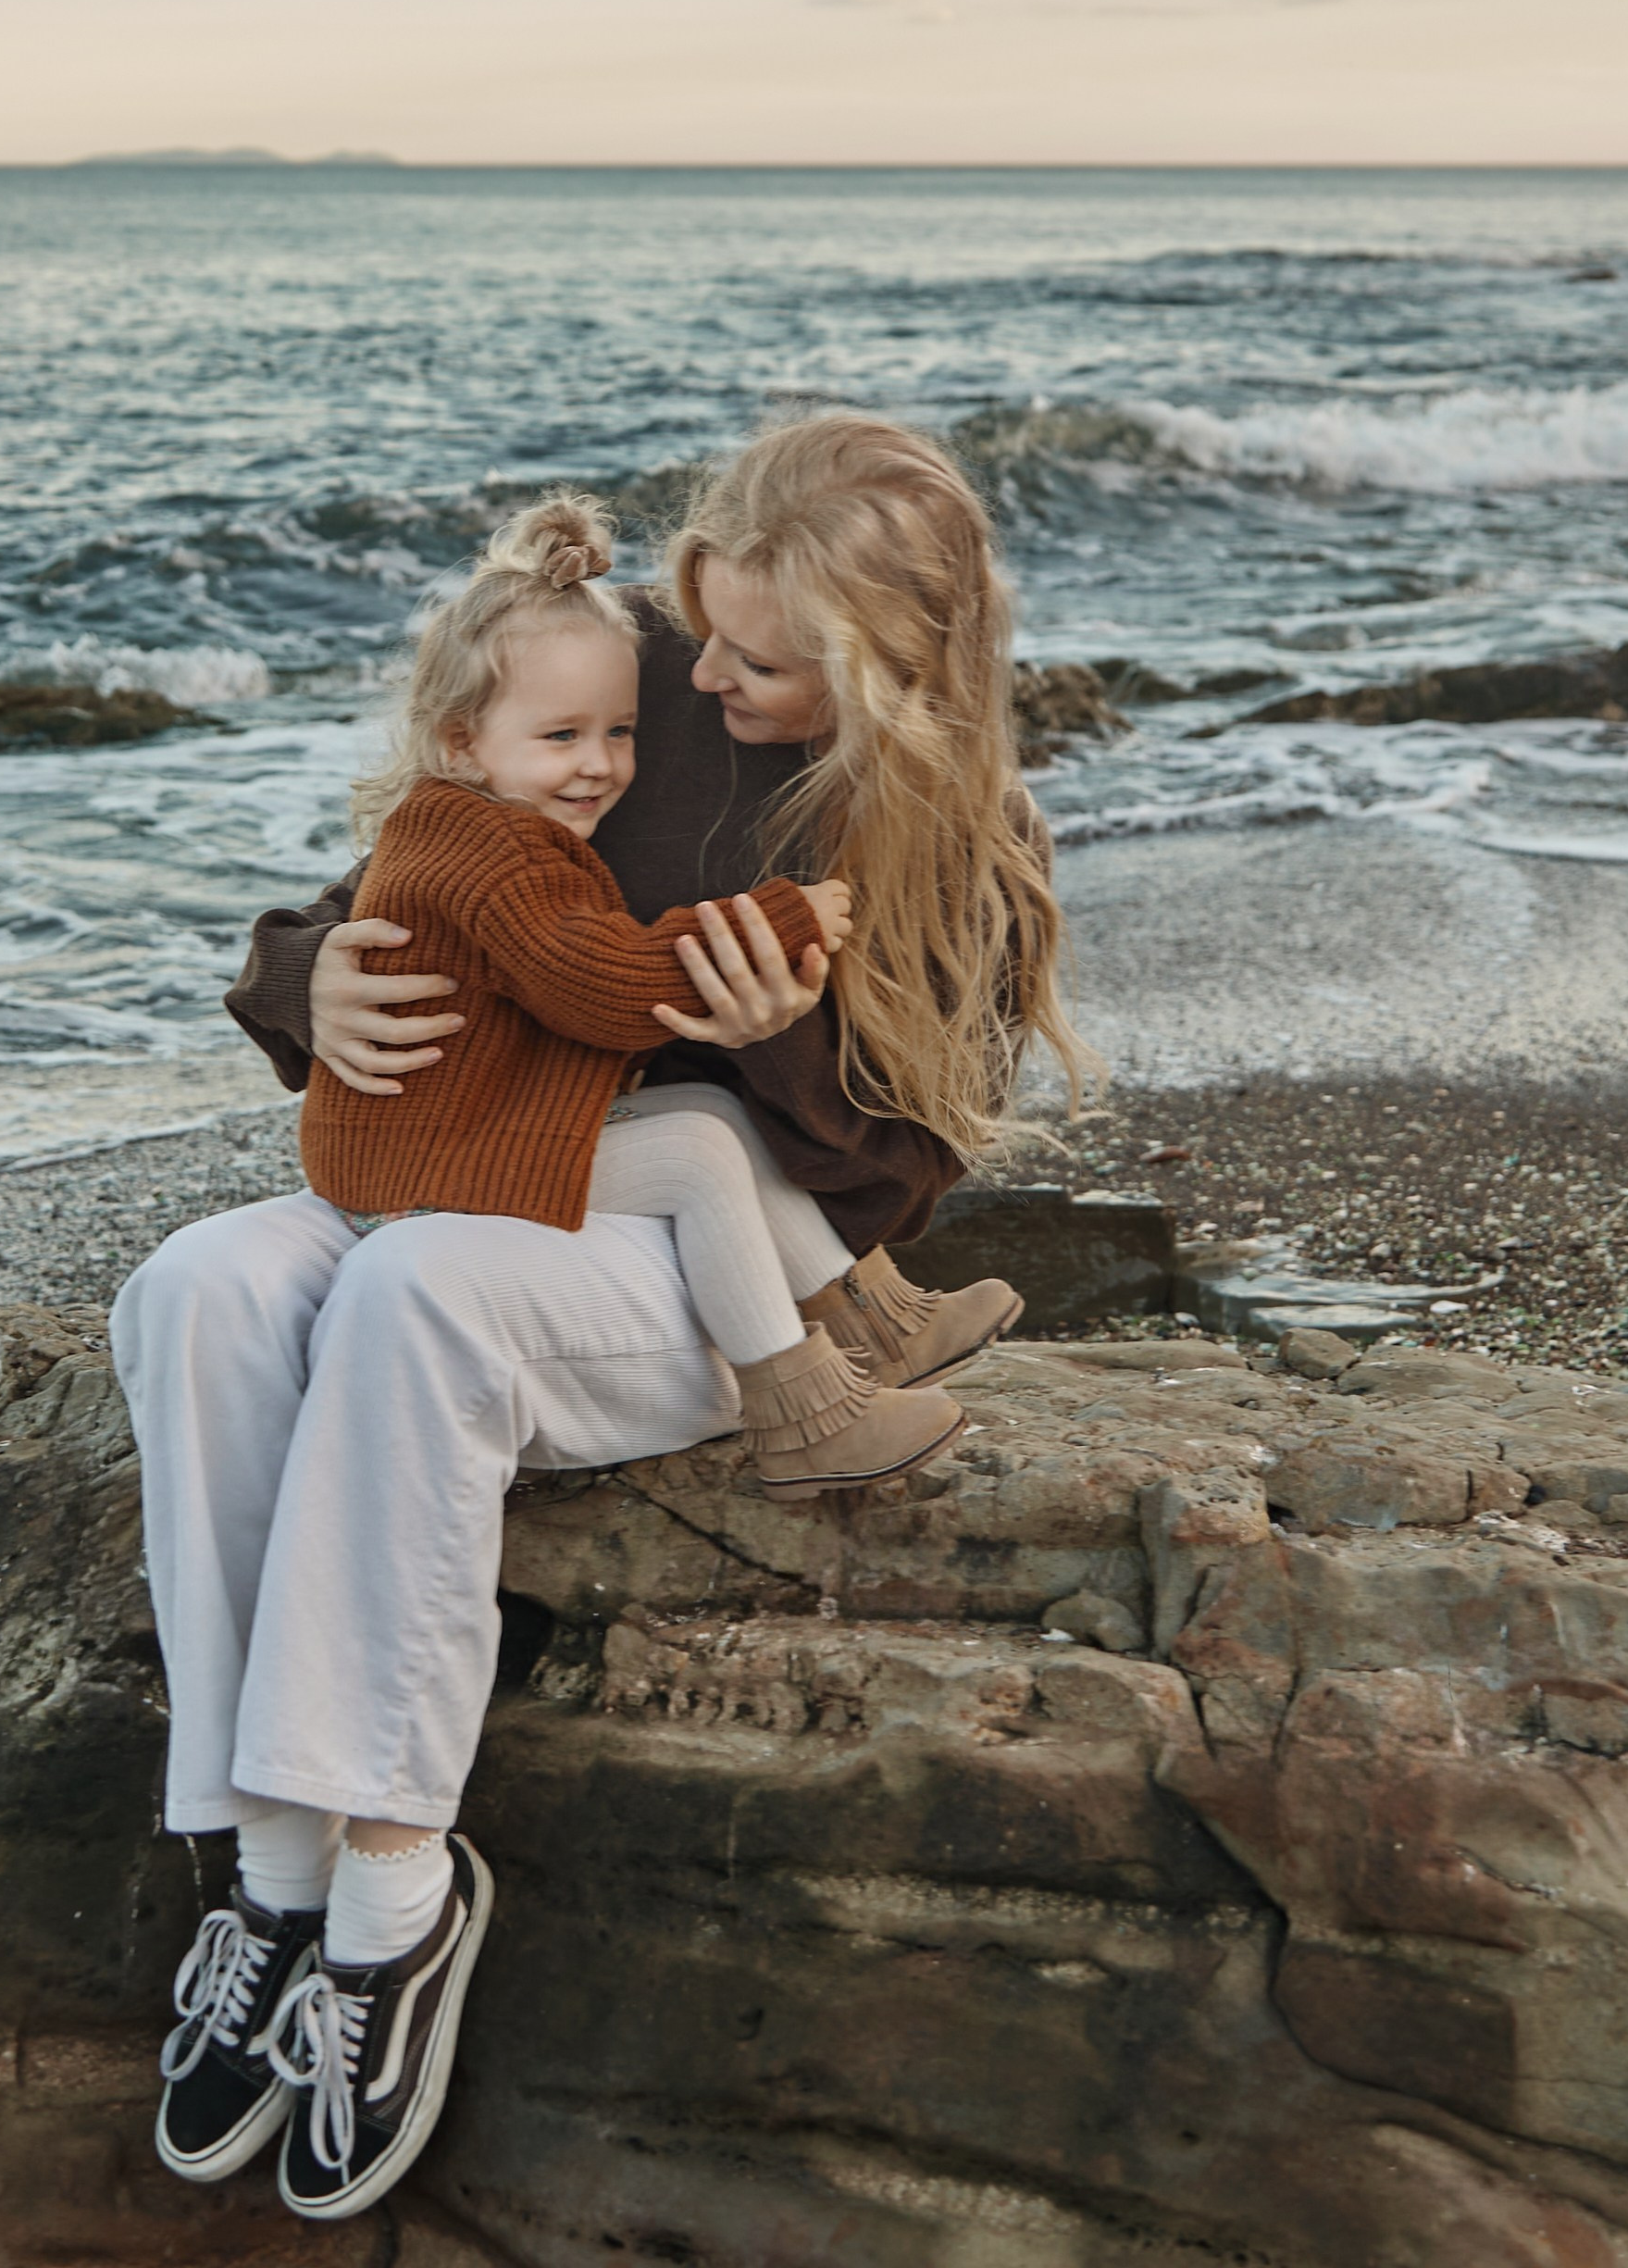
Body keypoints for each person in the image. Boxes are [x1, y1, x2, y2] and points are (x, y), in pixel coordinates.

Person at [108, 411, 1086, 2224]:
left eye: (758, 663)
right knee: (199, 1286)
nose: (696, 678)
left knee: (412, 1293)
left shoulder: (957, 837)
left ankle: (397, 1900)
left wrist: (739, 1028)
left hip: (695, 1264)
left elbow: (887, 1173)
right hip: (475, 1158)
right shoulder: (622, 674)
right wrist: (299, 981)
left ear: (884, 670)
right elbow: (404, 871)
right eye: (696, 628)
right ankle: (270, 1866)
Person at [295, 487, 988, 1499]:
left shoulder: (497, 813)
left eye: (618, 733)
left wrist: (775, 1032)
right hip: (423, 1168)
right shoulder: (484, 845)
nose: (602, 764)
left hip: (469, 1124)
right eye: (564, 739)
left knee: (707, 1108)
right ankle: (801, 1415)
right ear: (457, 743)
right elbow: (605, 985)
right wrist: (782, 922)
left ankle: (874, 1318)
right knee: (700, 1151)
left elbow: (925, 1126)